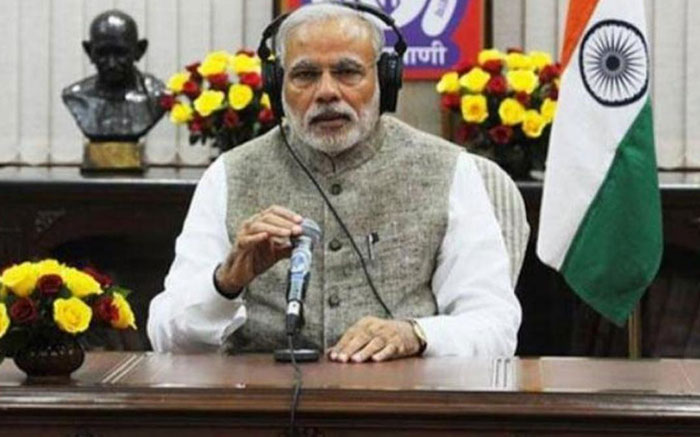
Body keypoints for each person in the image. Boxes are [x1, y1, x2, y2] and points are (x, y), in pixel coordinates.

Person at [147, 3, 521, 363]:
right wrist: (225, 282)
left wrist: (416, 334)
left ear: (385, 80)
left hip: (402, 397)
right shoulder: (229, 174)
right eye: (305, 75)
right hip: (258, 399)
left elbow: (495, 326)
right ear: (277, 85)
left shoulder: (449, 170)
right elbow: (164, 334)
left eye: (347, 71)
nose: (327, 91)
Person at [62, 9, 165, 142]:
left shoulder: (157, 95)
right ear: (89, 52)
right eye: (102, 53)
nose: (111, 63)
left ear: (139, 50)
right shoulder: (76, 96)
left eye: (121, 53)